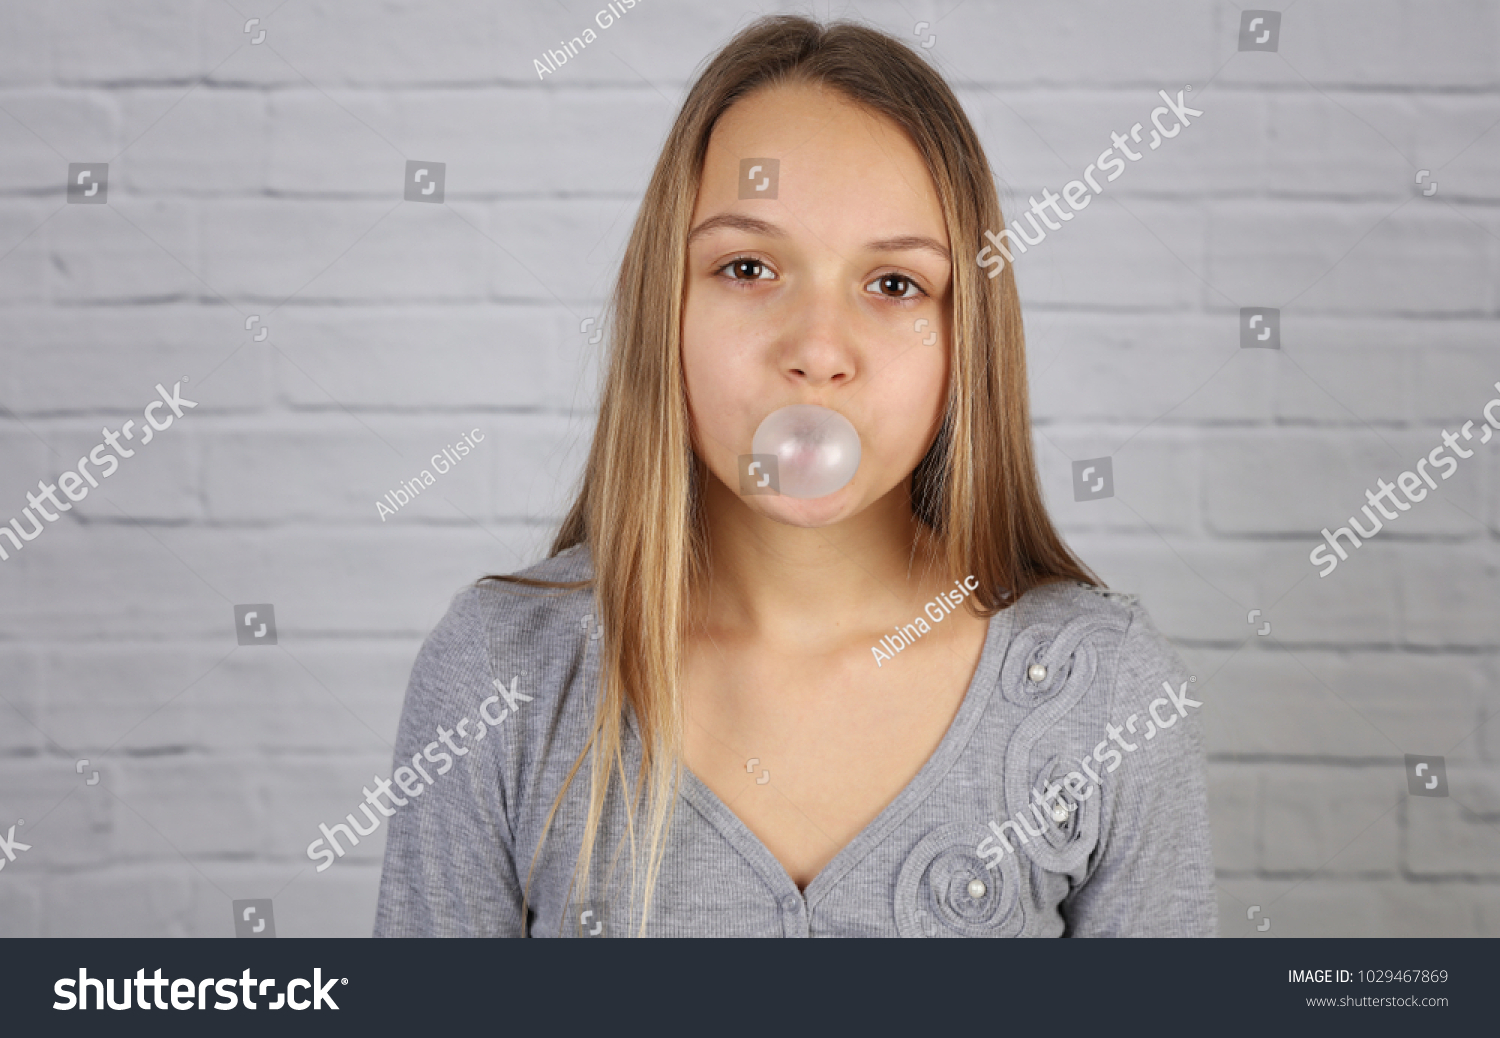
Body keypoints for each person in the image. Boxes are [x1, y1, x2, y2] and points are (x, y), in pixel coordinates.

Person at [373, 14, 1215, 938]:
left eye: (894, 285)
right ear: (668, 308)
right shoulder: (504, 674)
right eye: (748, 266)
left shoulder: (1105, 696)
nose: (817, 351)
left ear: (965, 337)